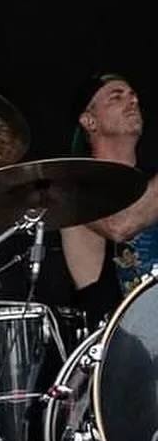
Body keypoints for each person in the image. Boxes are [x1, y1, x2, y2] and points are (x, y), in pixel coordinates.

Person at [60, 73, 156, 328]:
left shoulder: (152, 180)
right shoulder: (75, 187)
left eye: (133, 95)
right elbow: (121, 226)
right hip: (121, 345)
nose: (132, 101)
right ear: (89, 121)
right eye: (117, 96)